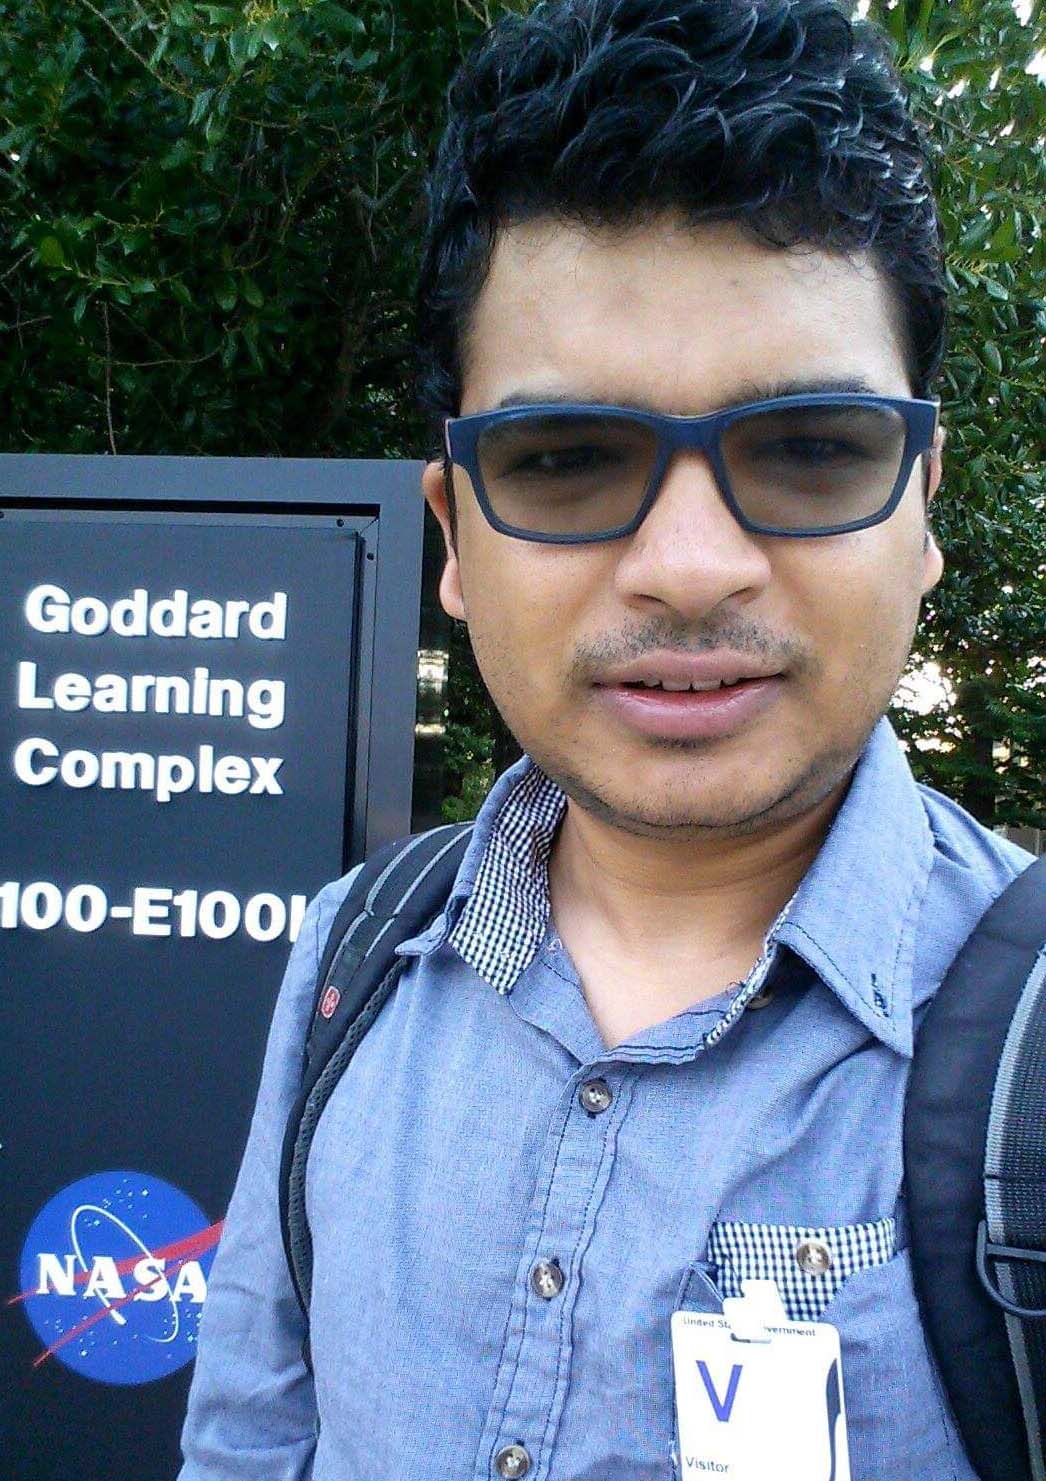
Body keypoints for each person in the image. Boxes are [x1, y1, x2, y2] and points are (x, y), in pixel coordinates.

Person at [178, 1, 1035, 1476]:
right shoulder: (349, 966)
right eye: (566, 459)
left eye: (810, 446)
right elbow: (251, 1441)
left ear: (921, 508)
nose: (688, 563)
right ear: (452, 536)